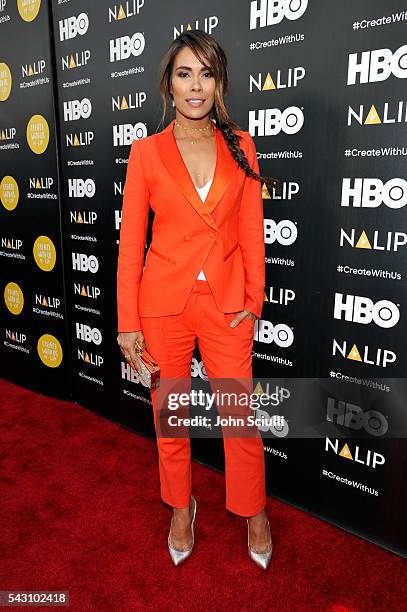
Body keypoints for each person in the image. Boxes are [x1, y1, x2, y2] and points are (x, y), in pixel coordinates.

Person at [116, 29, 279, 569]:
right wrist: (126, 323)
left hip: (227, 304)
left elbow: (254, 232)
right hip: (162, 304)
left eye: (206, 74)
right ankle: (180, 507)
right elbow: (130, 243)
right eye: (184, 73)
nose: (195, 86)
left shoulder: (242, 145)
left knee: (239, 417)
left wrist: (253, 302)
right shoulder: (146, 153)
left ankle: (254, 511)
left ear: (219, 83)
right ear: (169, 82)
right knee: (171, 419)